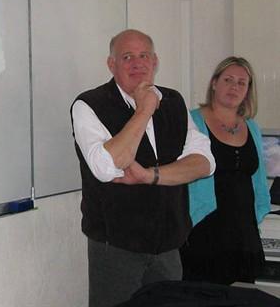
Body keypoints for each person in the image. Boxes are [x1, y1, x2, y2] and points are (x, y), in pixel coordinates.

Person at [71, 28, 215, 307]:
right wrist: (144, 110)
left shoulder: (173, 101)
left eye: (143, 55)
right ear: (111, 64)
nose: (137, 63)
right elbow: (106, 167)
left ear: (155, 61)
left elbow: (204, 162)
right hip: (116, 247)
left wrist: (150, 176)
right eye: (127, 57)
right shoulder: (88, 105)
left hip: (169, 244)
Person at [180, 56, 270, 285]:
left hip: (243, 236)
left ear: (248, 90)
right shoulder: (191, 122)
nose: (234, 86)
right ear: (214, 83)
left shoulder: (252, 127)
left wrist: (256, 215)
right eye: (228, 79)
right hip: (203, 234)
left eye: (242, 82)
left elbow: (258, 180)